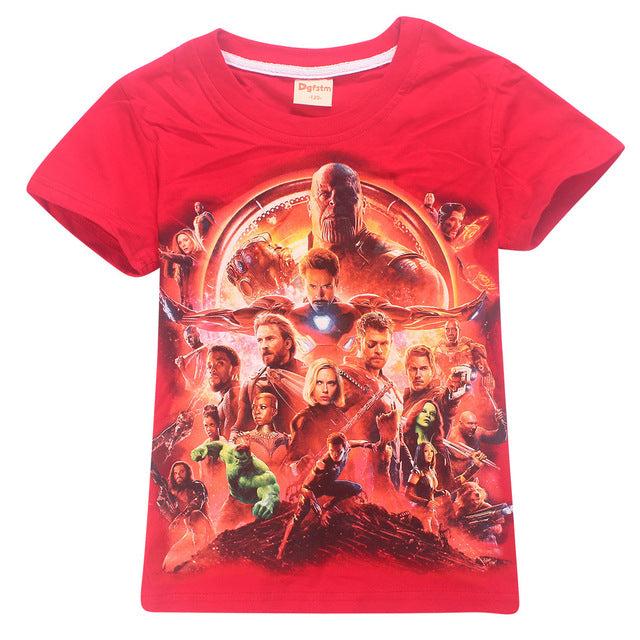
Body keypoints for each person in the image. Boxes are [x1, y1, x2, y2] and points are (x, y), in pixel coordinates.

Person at [162, 246, 484, 363]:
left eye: (326, 286)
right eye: (313, 286)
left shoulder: (358, 311)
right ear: (304, 284)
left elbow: (411, 317)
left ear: (336, 281)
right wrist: (188, 317)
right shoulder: (286, 314)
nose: (319, 293)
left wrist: (457, 314)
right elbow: (233, 319)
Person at [308, 162, 449, 306]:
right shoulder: (295, 273)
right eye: (324, 194)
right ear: (309, 207)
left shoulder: (412, 275)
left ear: (363, 205)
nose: (334, 201)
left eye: (345, 194)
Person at [277, 432, 374, 560]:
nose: (335, 455)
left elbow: (351, 442)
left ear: (344, 447)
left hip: (328, 486)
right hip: (312, 491)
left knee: (356, 489)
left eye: (338, 451)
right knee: (298, 517)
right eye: (332, 451)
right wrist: (318, 509)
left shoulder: (346, 447)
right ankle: (282, 547)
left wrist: (364, 444)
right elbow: (305, 487)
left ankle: (328, 505)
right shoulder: (322, 464)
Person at [232, 312, 308, 435]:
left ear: (287, 343)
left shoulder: (312, 376)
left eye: (270, 339)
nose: (264, 346)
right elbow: (240, 428)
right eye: (260, 340)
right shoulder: (252, 384)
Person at [191, 441, 280, 532]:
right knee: (220, 530)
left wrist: (267, 501)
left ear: (250, 458)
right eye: (236, 458)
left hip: (254, 506)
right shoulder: (229, 454)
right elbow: (219, 447)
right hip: (233, 501)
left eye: (242, 459)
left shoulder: (258, 469)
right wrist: (204, 448)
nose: (238, 462)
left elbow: (270, 486)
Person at [155, 461, 214, 571]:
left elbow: (197, 503)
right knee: (168, 565)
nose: (178, 475)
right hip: (190, 532)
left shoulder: (197, 486)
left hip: (202, 528)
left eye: (181, 472)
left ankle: (201, 555)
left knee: (195, 514)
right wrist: (162, 504)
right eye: (175, 473)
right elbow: (173, 517)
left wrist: (181, 516)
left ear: (188, 472)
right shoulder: (176, 495)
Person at [288, 358, 347, 462]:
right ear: (311, 384)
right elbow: (293, 462)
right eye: (319, 382)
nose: (325, 390)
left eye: (331, 383)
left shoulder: (339, 415)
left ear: (337, 386)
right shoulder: (305, 419)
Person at [434, 320, 495, 394]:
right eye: (447, 330)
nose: (450, 333)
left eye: (454, 329)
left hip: (465, 392)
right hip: (444, 392)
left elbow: (486, 373)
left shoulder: (467, 349)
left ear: (459, 331)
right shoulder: (438, 351)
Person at [233, 393, 290, 468]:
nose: (256, 412)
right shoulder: (244, 440)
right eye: (254, 407)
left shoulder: (287, 440)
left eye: (263, 407)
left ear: (274, 411)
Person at [405, 442, 449, 534]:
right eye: (426, 451)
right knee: (428, 535)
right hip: (420, 512)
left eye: (431, 451)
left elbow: (429, 492)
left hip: (430, 512)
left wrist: (441, 492)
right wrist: (426, 502)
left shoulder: (431, 472)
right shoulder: (416, 472)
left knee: (436, 532)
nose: (429, 454)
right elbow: (408, 494)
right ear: (421, 453)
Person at [446, 410, 507, 477]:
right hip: (453, 479)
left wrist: (502, 424)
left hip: (471, 478)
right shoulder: (449, 435)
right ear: (460, 423)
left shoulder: (478, 433)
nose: (474, 427)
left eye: (475, 423)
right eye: (470, 423)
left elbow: (500, 438)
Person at [159, 228, 205, 309]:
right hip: (188, 305)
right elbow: (168, 274)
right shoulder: (183, 263)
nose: (183, 245)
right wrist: (169, 260)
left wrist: (164, 255)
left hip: (201, 304)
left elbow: (188, 260)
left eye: (185, 240)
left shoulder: (201, 255)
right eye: (180, 243)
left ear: (193, 239)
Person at [204, 345, 240, 441]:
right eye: (209, 366)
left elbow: (231, 442)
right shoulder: (225, 398)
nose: (212, 370)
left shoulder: (233, 394)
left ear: (234, 369)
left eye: (220, 363)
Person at [174, 325, 208, 391]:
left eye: (190, 337)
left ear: (198, 334)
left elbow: (196, 386)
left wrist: (182, 368)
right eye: (186, 339)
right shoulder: (197, 353)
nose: (188, 342)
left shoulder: (202, 353)